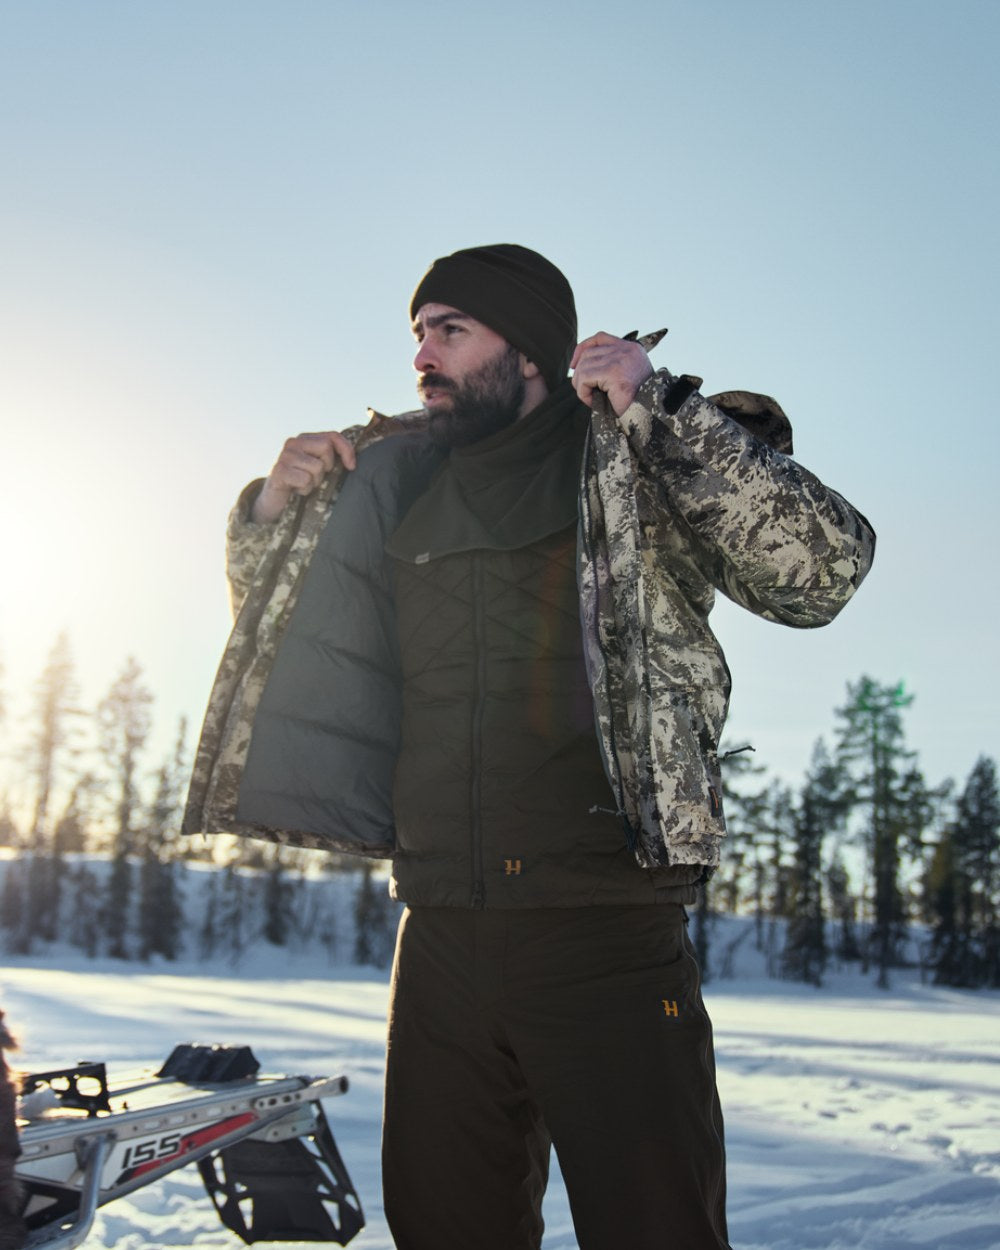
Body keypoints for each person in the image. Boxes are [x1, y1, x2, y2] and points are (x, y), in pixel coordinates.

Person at [185, 244, 875, 1249]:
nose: (422, 350)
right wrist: (270, 515)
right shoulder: (393, 474)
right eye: (417, 330)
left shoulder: (632, 449)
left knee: (655, 1228)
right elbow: (299, 642)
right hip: (442, 930)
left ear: (532, 348)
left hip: (602, 924)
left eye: (449, 328)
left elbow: (820, 570)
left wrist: (665, 409)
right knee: (444, 1228)